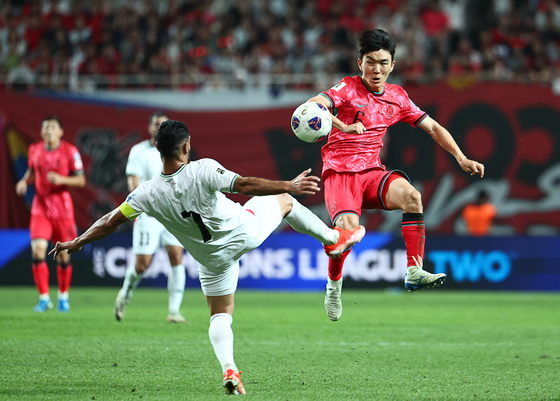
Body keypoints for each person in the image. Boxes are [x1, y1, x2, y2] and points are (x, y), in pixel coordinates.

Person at [49, 120, 365, 395]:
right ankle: (333, 238)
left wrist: (77, 242)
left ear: (158, 151)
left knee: (220, 315)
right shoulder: (203, 169)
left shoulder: (146, 193)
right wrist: (289, 185)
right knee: (283, 201)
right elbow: (243, 185)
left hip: (212, 259)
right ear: (186, 147)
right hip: (244, 231)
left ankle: (230, 370)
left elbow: (110, 221)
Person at [304, 29, 485, 322]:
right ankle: (334, 287)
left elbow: (434, 128)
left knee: (412, 197)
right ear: (359, 63)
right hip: (341, 173)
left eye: (383, 62)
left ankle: (414, 270)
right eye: (371, 62)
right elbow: (313, 105)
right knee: (346, 236)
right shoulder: (347, 89)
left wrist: (461, 157)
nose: (377, 69)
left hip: (372, 174)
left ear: (393, 65)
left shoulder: (397, 96)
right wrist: (344, 125)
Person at [115, 111, 187, 324]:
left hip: (172, 214)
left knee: (176, 257)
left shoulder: (176, 150)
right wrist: (141, 203)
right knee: (142, 265)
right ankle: (125, 292)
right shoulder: (139, 151)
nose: (160, 127)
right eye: (157, 124)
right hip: (149, 214)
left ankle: (174, 311)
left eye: (164, 125)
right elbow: (132, 182)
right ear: (150, 128)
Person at [15, 116, 86, 313]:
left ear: (60, 132)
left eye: (53, 127)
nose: (49, 131)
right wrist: (23, 182)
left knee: (63, 256)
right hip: (40, 208)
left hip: (62, 209)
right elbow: (32, 171)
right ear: (41, 132)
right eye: (46, 127)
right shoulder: (34, 149)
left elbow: (81, 181)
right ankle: (44, 298)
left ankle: (63, 297)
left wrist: (61, 178)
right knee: (37, 251)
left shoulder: (70, 151)